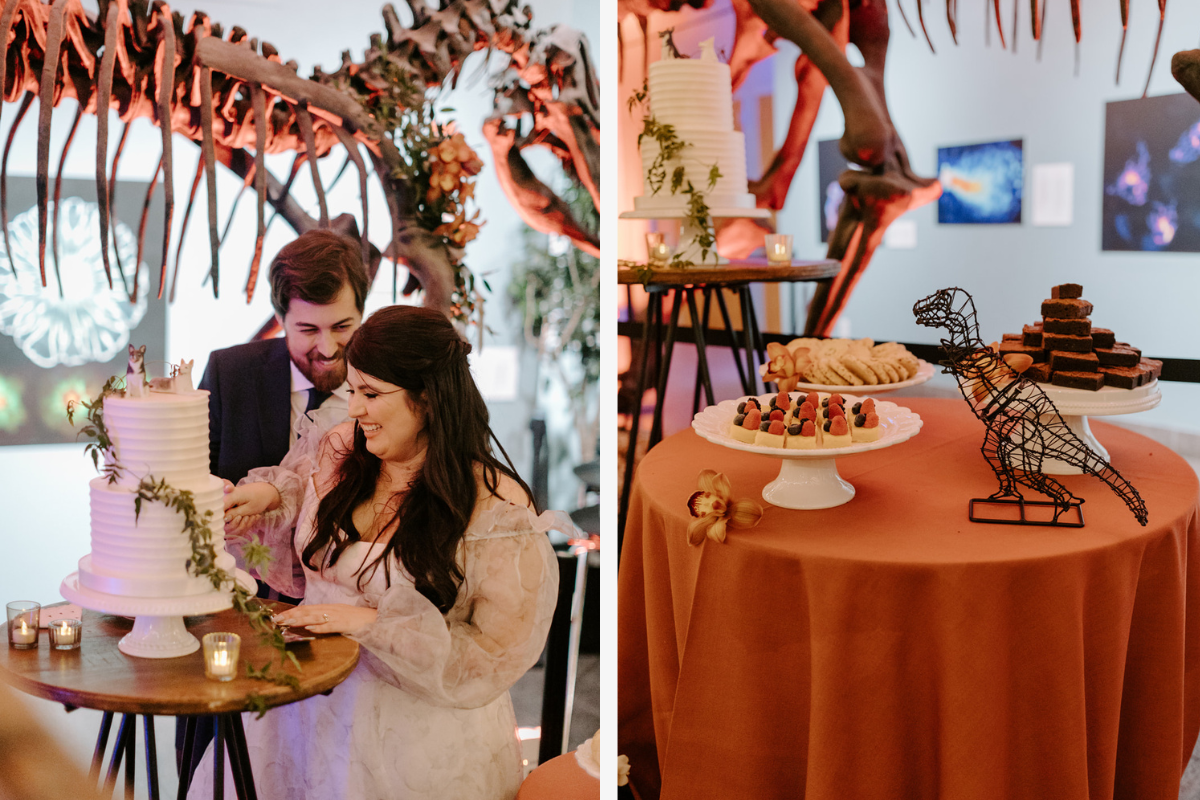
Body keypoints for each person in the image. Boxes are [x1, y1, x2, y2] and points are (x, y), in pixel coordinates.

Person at [187, 305, 563, 800]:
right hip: (299, 715)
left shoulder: (495, 507)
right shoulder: (343, 447)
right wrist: (273, 496)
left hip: (416, 743)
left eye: (371, 394)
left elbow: (493, 653)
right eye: (352, 390)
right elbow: (308, 496)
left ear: (427, 399)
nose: (355, 408)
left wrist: (367, 623)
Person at [199, 229, 369, 486]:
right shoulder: (229, 374)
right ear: (280, 320)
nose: (327, 348)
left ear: (361, 314)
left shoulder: (391, 385)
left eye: (341, 327)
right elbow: (190, 482)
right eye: (309, 330)